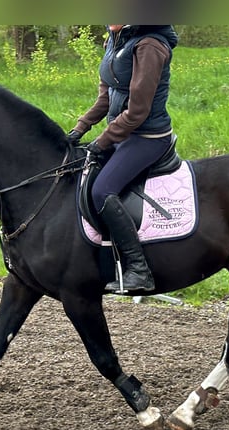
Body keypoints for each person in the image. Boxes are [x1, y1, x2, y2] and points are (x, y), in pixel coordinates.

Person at [68, 24, 179, 295]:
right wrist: (79, 129)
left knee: (102, 190)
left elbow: (138, 111)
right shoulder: (115, 40)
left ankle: (139, 270)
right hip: (121, 133)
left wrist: (103, 141)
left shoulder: (150, 45)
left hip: (147, 137)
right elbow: (106, 97)